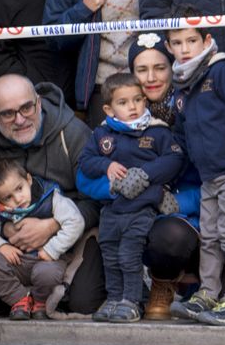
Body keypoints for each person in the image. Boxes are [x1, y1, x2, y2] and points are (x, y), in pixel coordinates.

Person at [0, 73, 106, 316]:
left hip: (73, 235)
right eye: (8, 113)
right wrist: (6, 232)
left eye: (26, 107)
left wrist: (51, 225)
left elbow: (99, 201)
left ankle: (48, 293)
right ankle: (28, 299)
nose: (20, 119)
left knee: (83, 302)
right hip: (13, 242)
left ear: (39, 102)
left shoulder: (74, 134)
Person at [164, 19, 225, 326]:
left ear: (206, 40)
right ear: (168, 47)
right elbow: (182, 134)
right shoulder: (182, 84)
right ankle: (208, 292)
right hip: (207, 175)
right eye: (176, 43)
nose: (184, 49)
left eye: (191, 41)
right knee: (210, 236)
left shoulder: (221, 70)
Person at [78, 73, 186, 323]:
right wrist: (106, 166)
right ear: (109, 108)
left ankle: (132, 301)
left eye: (138, 100)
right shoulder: (102, 134)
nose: (133, 107)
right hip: (111, 210)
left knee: (129, 255)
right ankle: (114, 299)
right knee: (111, 255)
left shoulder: (157, 131)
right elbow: (85, 162)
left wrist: (145, 175)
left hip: (141, 209)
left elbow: (174, 159)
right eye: (124, 102)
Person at [119, 33, 202, 321]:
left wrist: (178, 202)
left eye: (160, 67)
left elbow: (211, 180)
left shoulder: (191, 107)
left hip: (191, 215)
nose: (151, 77)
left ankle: (166, 283)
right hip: (136, 214)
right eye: (142, 70)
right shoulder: (119, 115)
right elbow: (90, 172)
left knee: (171, 235)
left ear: (172, 67)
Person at [0, 158, 85, 320]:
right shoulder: (0, 211)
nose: (17, 199)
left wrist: (52, 249)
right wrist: (1, 246)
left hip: (48, 259)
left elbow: (76, 221)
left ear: (29, 179)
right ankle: (20, 300)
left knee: (48, 274)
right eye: (7, 198)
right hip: (18, 261)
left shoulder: (51, 198)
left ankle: (40, 300)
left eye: (19, 189)